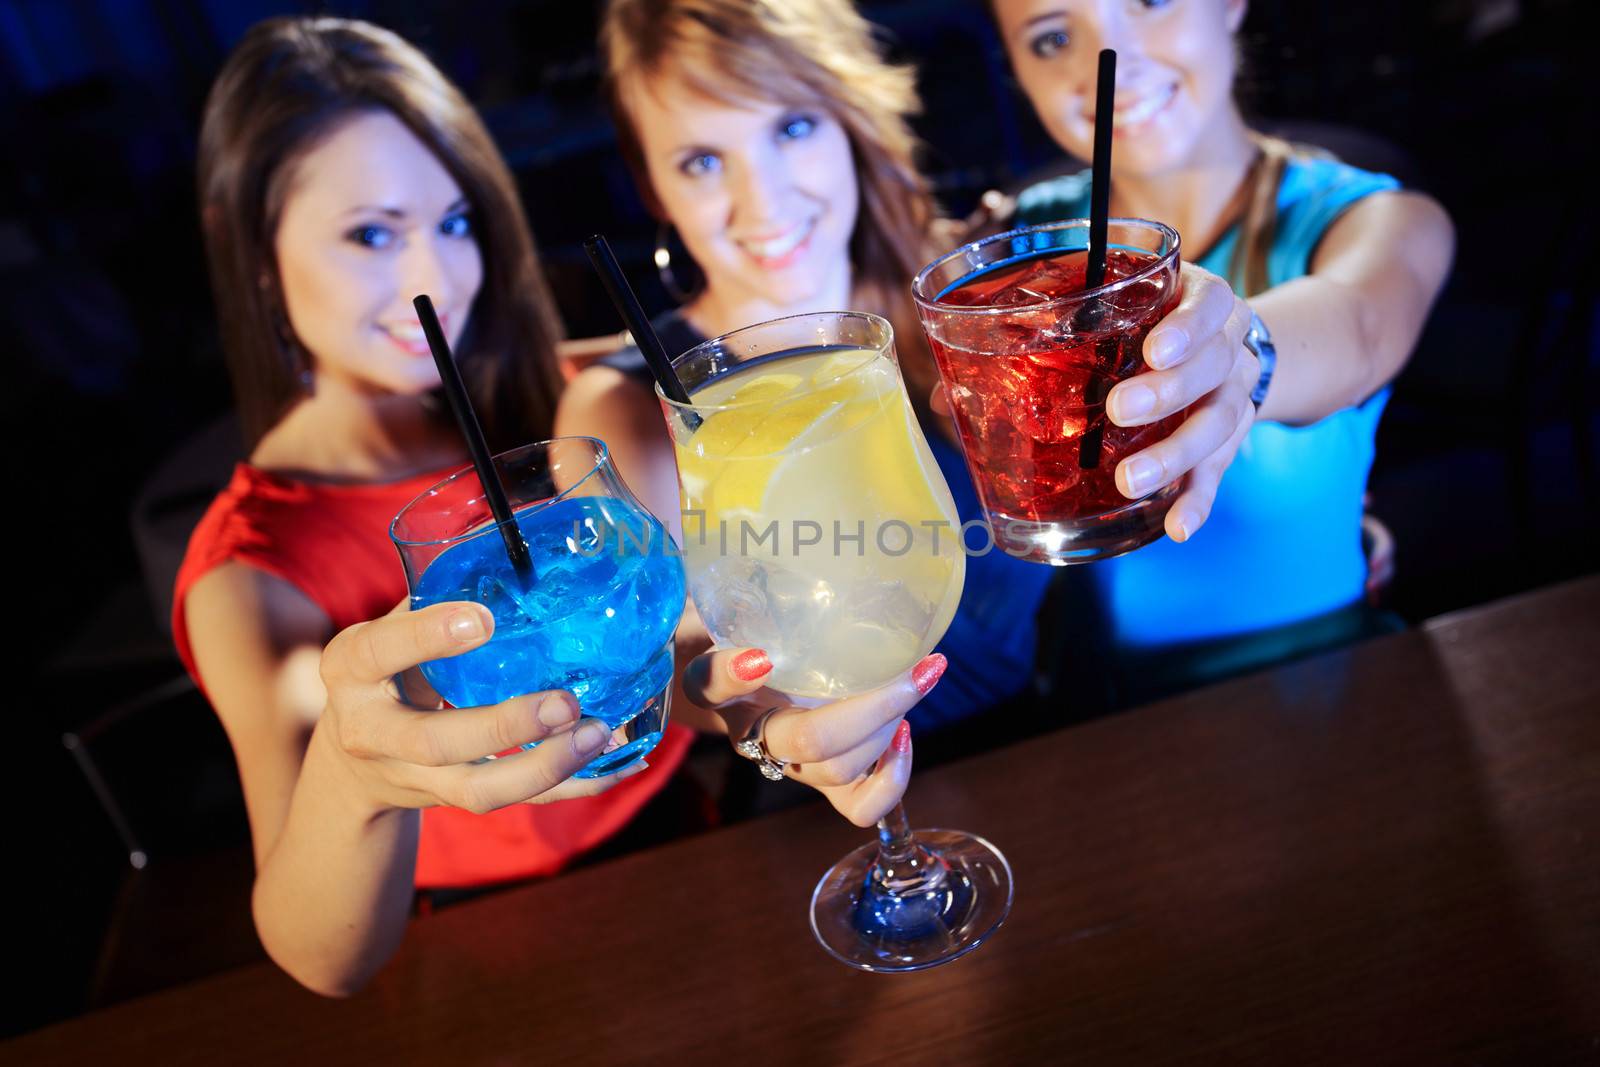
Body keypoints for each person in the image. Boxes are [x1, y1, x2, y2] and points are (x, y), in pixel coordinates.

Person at [174, 16, 922, 997]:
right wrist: (352, 776)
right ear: (257, 256)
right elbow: (321, 953)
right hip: (506, 946)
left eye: (452, 224)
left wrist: (759, 709)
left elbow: (670, 671)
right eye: (369, 235)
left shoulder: (551, 421)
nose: (432, 280)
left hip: (702, 861)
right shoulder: (249, 571)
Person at [557, 0, 1261, 736]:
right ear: (652, 188)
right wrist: (750, 712)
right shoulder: (628, 410)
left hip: (1073, 748)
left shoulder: (974, 318)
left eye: (792, 128)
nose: (761, 199)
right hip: (829, 812)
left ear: (848, 122)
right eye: (701, 161)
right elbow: (670, 664)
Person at [988, 0, 1454, 698]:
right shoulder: (1017, 244)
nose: (1110, 62)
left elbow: (1357, 326)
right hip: (1079, 716)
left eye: (1148, 4)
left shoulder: (1375, 219)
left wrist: (1239, 356)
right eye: (1053, 37)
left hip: (1314, 694)